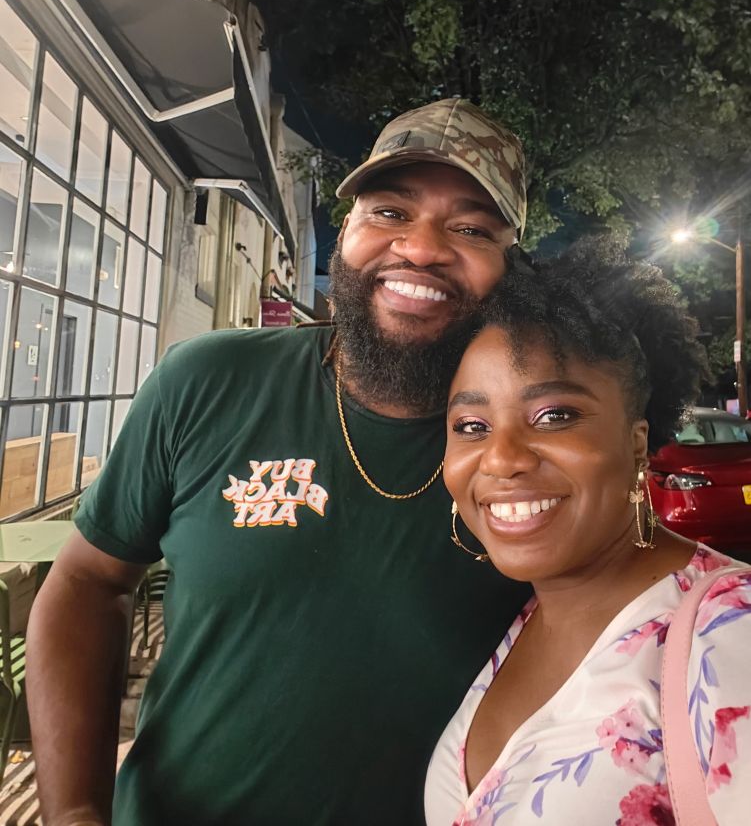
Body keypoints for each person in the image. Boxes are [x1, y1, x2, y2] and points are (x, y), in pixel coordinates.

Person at [27, 98, 533, 826]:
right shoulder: (207, 380)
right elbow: (86, 580)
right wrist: (75, 810)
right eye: (389, 211)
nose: (421, 248)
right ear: (346, 231)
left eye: (470, 228)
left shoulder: (532, 445)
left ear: (510, 267)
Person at [424, 240, 751, 825]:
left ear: (635, 442)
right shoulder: (520, 620)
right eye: (471, 425)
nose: (500, 459)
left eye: (553, 415)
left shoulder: (730, 633)